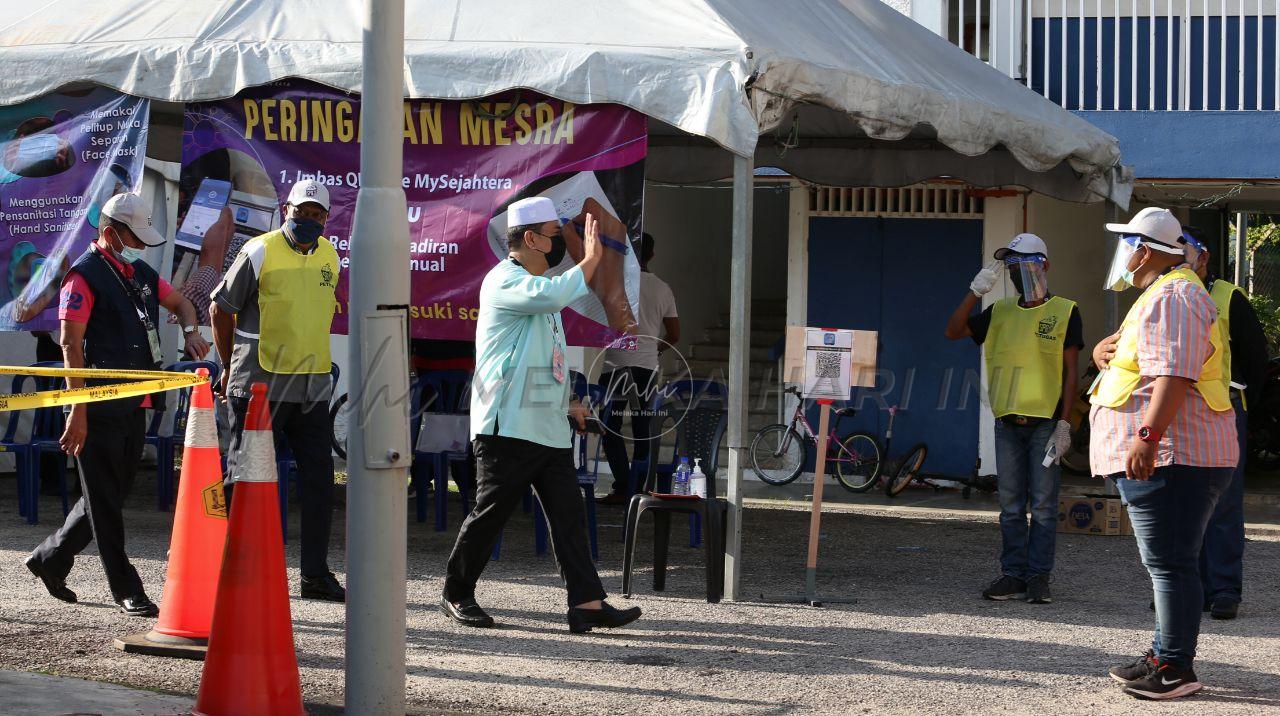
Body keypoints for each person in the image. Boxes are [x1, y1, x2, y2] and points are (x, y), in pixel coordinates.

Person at [440, 196, 642, 633]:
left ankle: (587, 604)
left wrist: (568, 399)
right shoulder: (507, 281)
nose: (561, 242)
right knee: (490, 512)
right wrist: (589, 259)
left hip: (546, 428)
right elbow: (553, 295)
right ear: (530, 238)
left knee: (568, 517)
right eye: (555, 234)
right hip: (507, 425)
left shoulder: (539, 288)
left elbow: (545, 355)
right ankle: (456, 592)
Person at [25, 192, 210, 617]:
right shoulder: (82, 278)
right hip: (97, 403)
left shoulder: (138, 271)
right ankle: (127, 588)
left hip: (137, 399)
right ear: (110, 232)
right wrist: (78, 410)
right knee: (105, 502)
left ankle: (50, 558)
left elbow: (180, 303)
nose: (142, 246)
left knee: (108, 494)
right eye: (135, 237)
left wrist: (190, 330)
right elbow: (70, 344)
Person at [1090, 208, 1237, 700]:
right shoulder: (1163, 292)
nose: (1124, 257)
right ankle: (1163, 652)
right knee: (1168, 562)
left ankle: (1175, 668)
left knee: (1172, 562)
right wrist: (1100, 357)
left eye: (1127, 246)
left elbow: (1174, 374)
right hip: (1177, 454)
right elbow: (1141, 363)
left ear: (1145, 249)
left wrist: (1147, 437)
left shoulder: (1174, 294)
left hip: (1176, 454)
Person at [1094, 225, 1266, 622]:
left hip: (1214, 411)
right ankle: (1185, 590)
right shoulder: (1154, 294)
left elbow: (1255, 357)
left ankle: (1222, 589)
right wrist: (1101, 351)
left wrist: (1242, 403)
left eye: (1190, 249)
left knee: (1220, 508)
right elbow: (1128, 351)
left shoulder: (1212, 295)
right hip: (1169, 414)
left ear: (1202, 257)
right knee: (1184, 518)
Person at [209, 178, 345, 602]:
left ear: (326, 219)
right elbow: (220, 309)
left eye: (316, 214)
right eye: (301, 212)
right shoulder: (260, 250)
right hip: (258, 385)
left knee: (320, 483)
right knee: (244, 482)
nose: (307, 220)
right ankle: (234, 568)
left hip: (310, 387)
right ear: (286, 210)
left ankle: (314, 575)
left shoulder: (330, 255)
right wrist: (229, 365)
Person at [945, 233, 1082, 605]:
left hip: (1045, 425)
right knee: (1009, 506)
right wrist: (975, 292)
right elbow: (954, 330)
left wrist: (1065, 423)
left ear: (1044, 266)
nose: (1019, 272)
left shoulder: (1065, 311)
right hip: (1007, 424)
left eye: (1026, 264)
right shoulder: (1001, 311)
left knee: (1042, 506)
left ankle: (1038, 576)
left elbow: (1071, 372)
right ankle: (1013, 575)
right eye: (1013, 266)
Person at [596, 232, 680, 505]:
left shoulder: (614, 283)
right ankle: (641, 487)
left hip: (614, 365)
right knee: (644, 426)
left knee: (610, 426)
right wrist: (654, 348)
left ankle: (622, 486)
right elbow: (674, 334)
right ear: (652, 254)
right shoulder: (662, 288)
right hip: (645, 366)